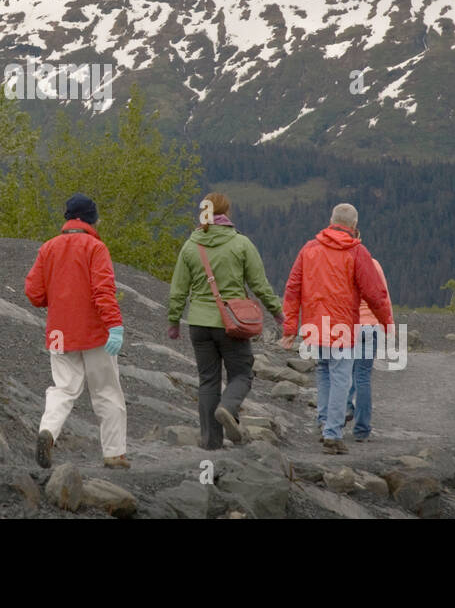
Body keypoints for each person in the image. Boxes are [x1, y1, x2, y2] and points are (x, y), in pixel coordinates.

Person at [167, 193, 283, 450]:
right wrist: (277, 311)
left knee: (208, 380)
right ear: (226, 213)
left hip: (198, 323)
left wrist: (174, 320)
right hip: (232, 322)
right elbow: (259, 284)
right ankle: (228, 409)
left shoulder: (190, 246)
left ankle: (211, 441)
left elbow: (178, 289)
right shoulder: (241, 244)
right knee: (241, 374)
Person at [26, 194, 129, 470]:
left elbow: (33, 293)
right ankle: (114, 453)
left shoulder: (48, 248)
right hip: (95, 332)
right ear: (90, 219)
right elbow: (103, 291)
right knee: (106, 391)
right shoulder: (95, 248)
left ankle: (48, 431)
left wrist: (58, 299)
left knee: (63, 388)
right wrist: (115, 326)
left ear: (69, 218)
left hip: (59, 331)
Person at [280, 203, 392, 454]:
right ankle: (332, 433)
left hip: (315, 323)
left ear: (331, 221)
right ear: (354, 226)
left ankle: (324, 422)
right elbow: (374, 294)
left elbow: (293, 288)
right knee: (342, 376)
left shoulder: (309, 249)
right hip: (342, 325)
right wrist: (386, 322)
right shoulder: (357, 252)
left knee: (324, 371)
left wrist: (289, 327)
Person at [345, 258, 390, 442]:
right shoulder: (373, 265)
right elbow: (383, 297)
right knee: (363, 377)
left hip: (347, 327)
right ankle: (362, 430)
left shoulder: (341, 264)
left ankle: (343, 410)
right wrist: (388, 325)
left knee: (343, 373)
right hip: (370, 327)